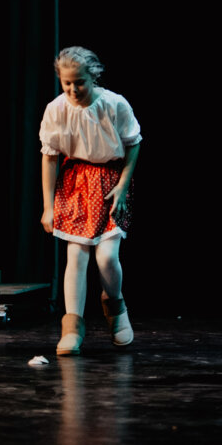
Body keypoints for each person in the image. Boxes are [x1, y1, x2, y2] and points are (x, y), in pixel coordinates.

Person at [40, 46, 142, 355]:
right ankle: (72, 326)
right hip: (75, 183)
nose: (73, 89)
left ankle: (115, 306)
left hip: (109, 181)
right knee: (77, 255)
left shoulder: (114, 104)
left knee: (107, 257)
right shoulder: (56, 109)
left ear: (93, 77)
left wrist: (123, 186)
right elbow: (49, 157)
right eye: (67, 83)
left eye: (79, 82)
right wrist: (48, 207)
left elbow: (133, 143)